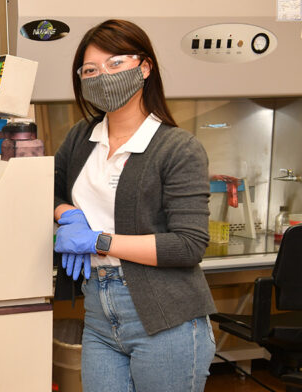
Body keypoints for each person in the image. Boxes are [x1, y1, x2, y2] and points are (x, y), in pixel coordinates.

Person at [53, 20, 216, 391]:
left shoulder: (177, 148)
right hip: (98, 313)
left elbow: (189, 245)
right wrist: (69, 215)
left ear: (144, 67)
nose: (102, 77)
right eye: (90, 70)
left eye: (115, 64)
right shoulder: (82, 138)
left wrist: (98, 241)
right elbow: (49, 189)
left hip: (167, 319)